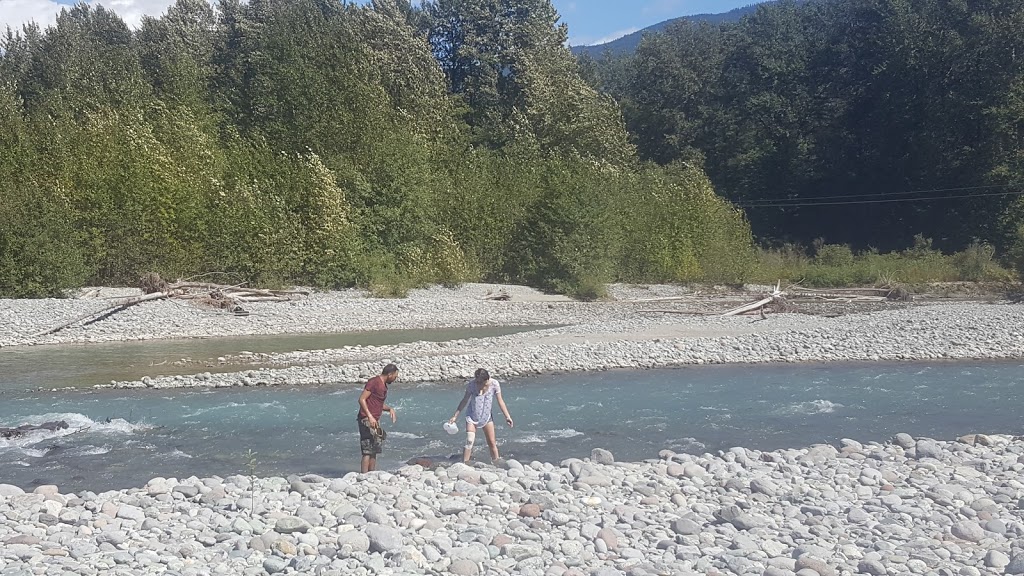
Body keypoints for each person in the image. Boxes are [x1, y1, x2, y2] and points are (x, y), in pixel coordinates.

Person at [448, 368, 513, 463]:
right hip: (472, 416)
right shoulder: (472, 385)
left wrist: (507, 417)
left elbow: (500, 401)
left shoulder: (494, 384)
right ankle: (465, 464)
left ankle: (497, 462)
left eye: (482, 383)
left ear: (487, 380)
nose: (480, 385)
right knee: (469, 440)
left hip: (486, 417)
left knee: (491, 442)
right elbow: (465, 400)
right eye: (477, 382)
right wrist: (455, 416)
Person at [357, 363, 399, 473]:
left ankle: (372, 474)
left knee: (375, 448)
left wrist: (390, 409)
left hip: (375, 420)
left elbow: (378, 404)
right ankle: (364, 476)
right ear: (389, 374)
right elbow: (362, 399)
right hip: (366, 419)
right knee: (367, 449)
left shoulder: (384, 385)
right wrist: (369, 416)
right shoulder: (374, 382)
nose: (395, 378)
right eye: (395, 376)